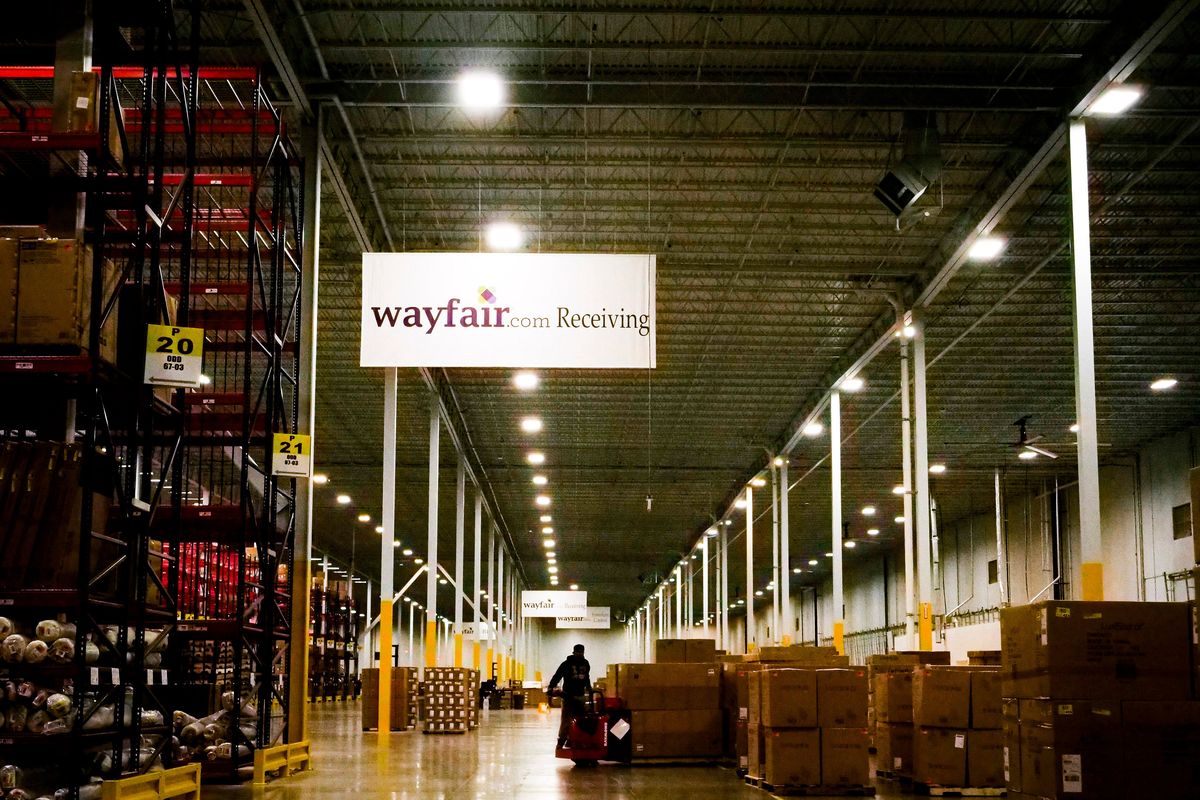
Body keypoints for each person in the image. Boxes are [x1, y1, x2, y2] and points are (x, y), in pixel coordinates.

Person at [547, 643, 591, 749]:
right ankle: (561, 741)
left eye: (581, 652)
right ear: (574, 652)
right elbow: (557, 675)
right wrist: (551, 687)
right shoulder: (566, 664)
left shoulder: (585, 663)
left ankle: (576, 740)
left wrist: (589, 689)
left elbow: (586, 677)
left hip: (580, 695)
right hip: (568, 696)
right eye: (578, 652)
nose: (580, 654)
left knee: (581, 720)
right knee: (566, 720)